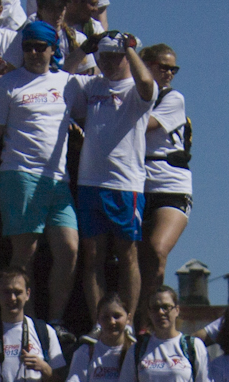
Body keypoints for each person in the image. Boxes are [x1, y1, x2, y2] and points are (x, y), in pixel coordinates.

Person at [0, 21, 82, 327]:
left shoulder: (68, 83)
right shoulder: (7, 84)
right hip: (19, 174)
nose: (34, 53)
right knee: (25, 253)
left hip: (58, 179)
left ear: (53, 50)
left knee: (69, 249)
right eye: (28, 47)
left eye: (40, 47)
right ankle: (28, 323)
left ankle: (55, 322)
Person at [70, 32, 155, 317]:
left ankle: (127, 321)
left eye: (114, 56)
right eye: (103, 56)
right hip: (89, 181)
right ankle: (99, 322)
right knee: (92, 256)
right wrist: (85, 48)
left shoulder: (136, 89)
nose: (107, 62)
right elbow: (61, 75)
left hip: (124, 183)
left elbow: (147, 84)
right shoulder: (93, 85)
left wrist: (129, 49)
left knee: (127, 254)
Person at [135, 42, 190, 291]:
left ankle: (153, 310)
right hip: (137, 181)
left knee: (157, 250)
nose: (169, 73)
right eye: (163, 67)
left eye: (173, 69)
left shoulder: (173, 98)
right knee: (133, 257)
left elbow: (144, 125)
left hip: (170, 184)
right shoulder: (130, 95)